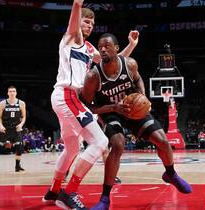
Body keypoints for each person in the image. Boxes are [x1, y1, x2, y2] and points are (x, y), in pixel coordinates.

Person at [42, 1, 138, 209]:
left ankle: (54, 190)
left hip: (69, 99)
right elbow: (74, 17)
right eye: (86, 22)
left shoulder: (89, 47)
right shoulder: (70, 38)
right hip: (68, 95)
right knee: (100, 142)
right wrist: (77, 4)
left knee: (72, 148)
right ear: (77, 22)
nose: (89, 27)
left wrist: (131, 45)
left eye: (92, 24)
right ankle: (69, 192)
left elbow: (114, 61)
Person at [80, 33, 192, 210]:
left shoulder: (129, 64)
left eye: (106, 46)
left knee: (163, 141)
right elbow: (87, 106)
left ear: (117, 49)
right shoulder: (93, 76)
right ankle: (105, 198)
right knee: (118, 144)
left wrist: (142, 95)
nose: (102, 49)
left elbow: (138, 79)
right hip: (110, 113)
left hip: (132, 107)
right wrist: (112, 108)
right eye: (100, 46)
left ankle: (170, 174)